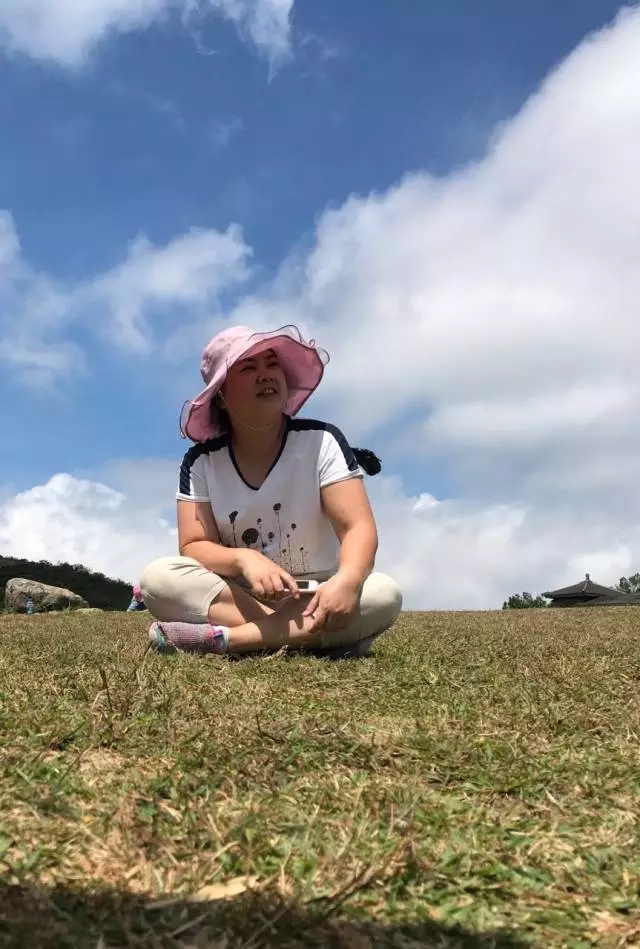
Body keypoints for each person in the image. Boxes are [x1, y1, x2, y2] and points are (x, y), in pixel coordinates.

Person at [139, 324, 402, 658]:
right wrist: (244, 559)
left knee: (383, 593)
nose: (266, 375)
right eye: (248, 368)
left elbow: (357, 527)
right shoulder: (202, 462)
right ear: (221, 395)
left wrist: (348, 581)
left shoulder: (321, 440)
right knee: (159, 579)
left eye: (272, 364)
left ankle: (228, 640)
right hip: (242, 596)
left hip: (320, 593)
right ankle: (311, 637)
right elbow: (193, 545)